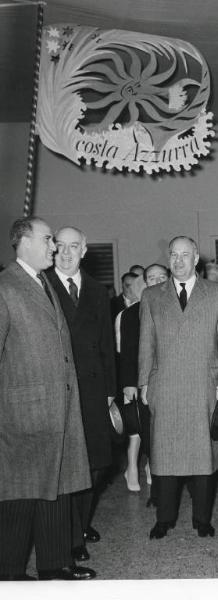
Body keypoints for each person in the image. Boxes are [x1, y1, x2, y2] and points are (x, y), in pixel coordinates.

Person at [0, 217, 94, 580]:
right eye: (48, 240)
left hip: (58, 409)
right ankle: (9, 571)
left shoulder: (42, 282)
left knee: (56, 489)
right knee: (20, 496)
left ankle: (54, 564)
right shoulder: (6, 286)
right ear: (23, 241)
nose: (54, 247)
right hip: (22, 413)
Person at [138, 236, 218, 539]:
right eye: (173, 255)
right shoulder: (152, 295)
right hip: (164, 385)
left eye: (185, 255)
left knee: (203, 456)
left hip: (203, 386)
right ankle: (164, 518)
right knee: (164, 456)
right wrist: (144, 382)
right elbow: (146, 343)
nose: (179, 261)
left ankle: (202, 519)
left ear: (197, 259)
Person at [47, 226, 116, 563]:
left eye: (74, 246)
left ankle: (81, 521)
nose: (67, 253)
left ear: (85, 249)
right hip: (57, 390)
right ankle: (73, 537)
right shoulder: (42, 286)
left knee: (95, 464)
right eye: (60, 246)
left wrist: (110, 392)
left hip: (91, 390)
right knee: (66, 466)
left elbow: (106, 344)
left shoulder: (97, 290)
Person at [120, 264, 169, 494]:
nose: (157, 281)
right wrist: (130, 383)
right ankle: (137, 467)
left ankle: (154, 466)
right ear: (145, 283)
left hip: (170, 380)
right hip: (144, 380)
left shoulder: (178, 306)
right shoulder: (133, 312)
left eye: (161, 277)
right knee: (142, 428)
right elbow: (129, 351)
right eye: (152, 278)